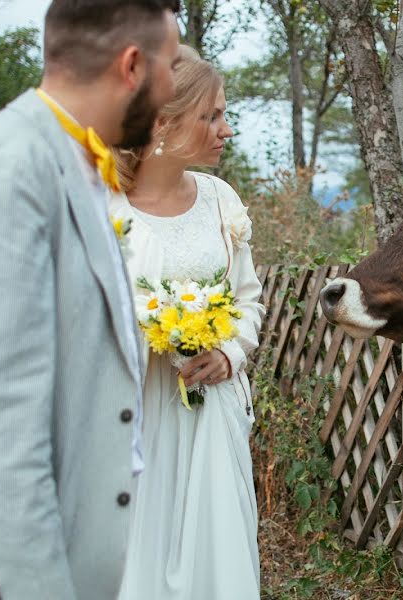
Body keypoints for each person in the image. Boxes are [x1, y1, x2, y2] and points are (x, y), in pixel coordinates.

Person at [0, 1, 180, 599]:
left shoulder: (79, 164)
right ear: (132, 65)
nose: (173, 88)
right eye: (171, 64)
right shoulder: (8, 169)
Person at [110, 45, 264, 600]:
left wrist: (229, 353)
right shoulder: (105, 207)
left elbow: (248, 299)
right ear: (165, 122)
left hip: (209, 414)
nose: (226, 129)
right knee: (136, 554)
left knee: (214, 556)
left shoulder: (221, 199)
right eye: (213, 115)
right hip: (131, 418)